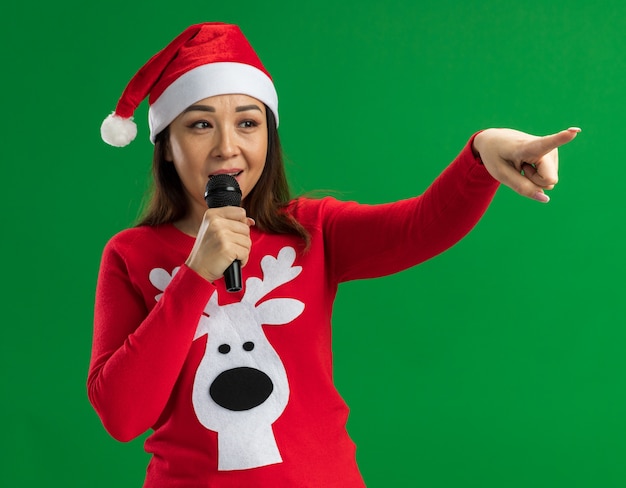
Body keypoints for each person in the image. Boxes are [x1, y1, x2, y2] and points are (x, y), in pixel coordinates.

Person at [88, 22, 580, 487]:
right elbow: (124, 415)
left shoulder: (312, 229)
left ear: (268, 136)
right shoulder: (131, 255)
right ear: (166, 146)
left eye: (247, 122)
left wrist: (482, 152)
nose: (227, 147)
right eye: (199, 125)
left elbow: (421, 226)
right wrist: (195, 275)